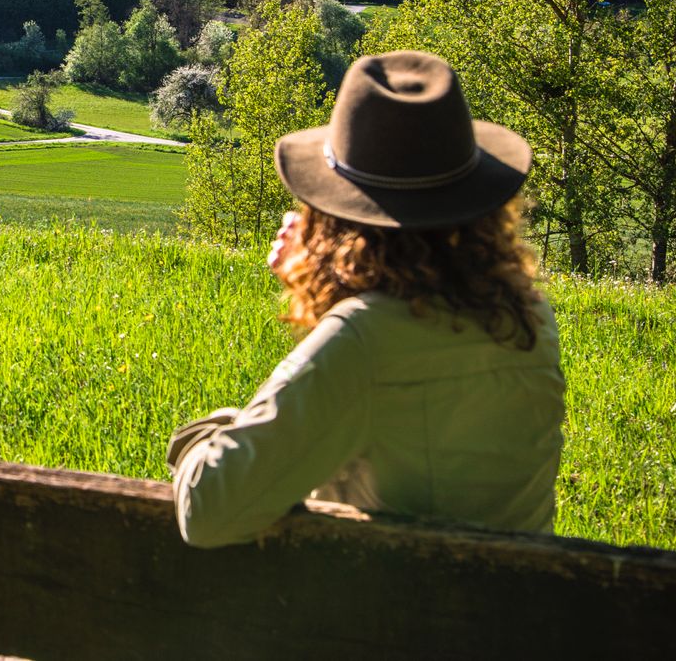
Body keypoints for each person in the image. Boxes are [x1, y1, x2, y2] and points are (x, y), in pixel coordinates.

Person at [168, 50, 565, 548]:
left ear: (340, 217)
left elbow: (207, 511)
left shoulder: (361, 341)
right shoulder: (528, 315)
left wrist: (216, 432)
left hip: (395, 618)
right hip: (519, 613)